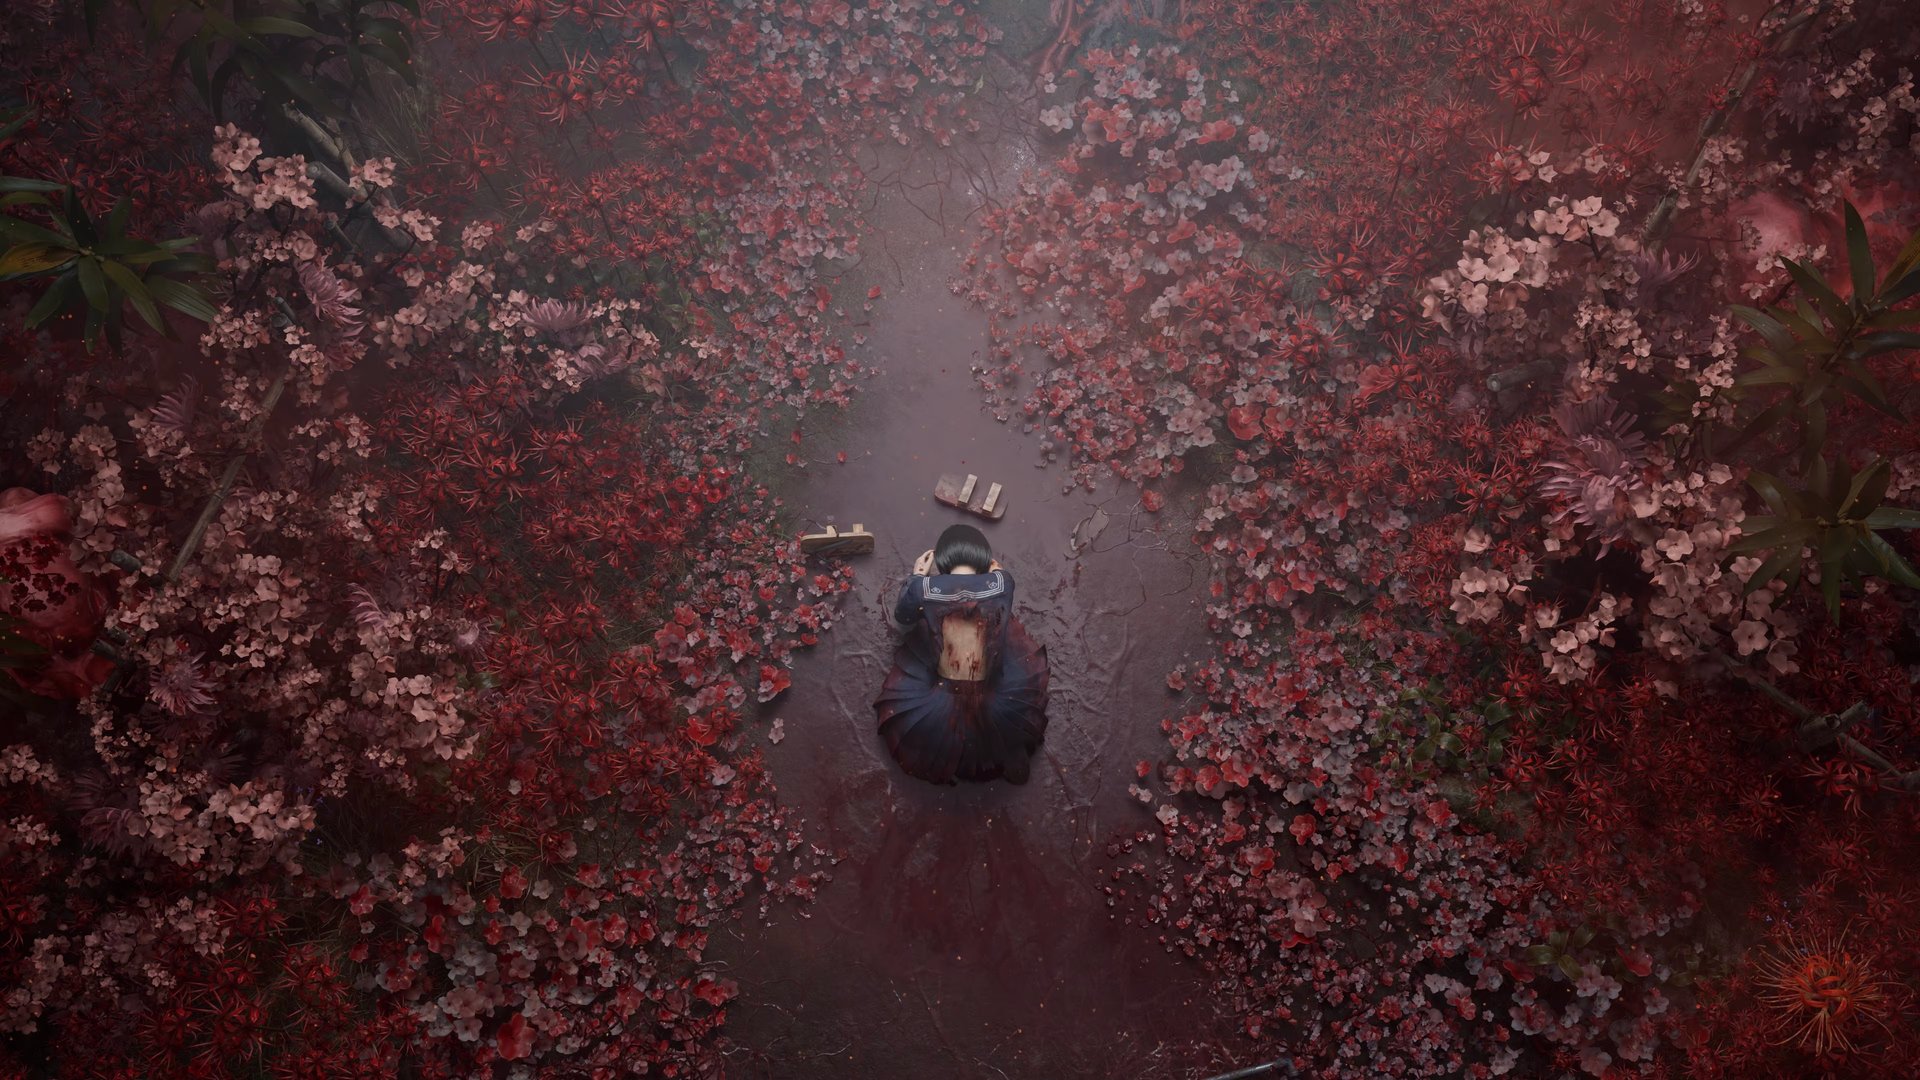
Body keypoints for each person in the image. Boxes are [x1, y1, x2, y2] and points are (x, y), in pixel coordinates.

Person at [873, 523, 1050, 785]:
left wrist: (917, 577)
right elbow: (998, 580)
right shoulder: (1004, 582)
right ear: (983, 559)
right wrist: (996, 572)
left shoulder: (925, 588)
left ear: (942, 560)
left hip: (940, 697)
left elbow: (904, 616)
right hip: (995, 693)